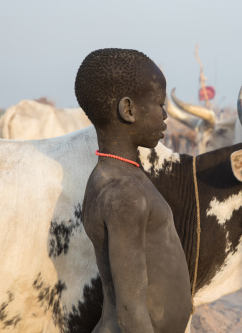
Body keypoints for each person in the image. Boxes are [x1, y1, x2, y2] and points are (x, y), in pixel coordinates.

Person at [75, 48, 192, 332]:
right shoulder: (123, 192)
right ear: (128, 110)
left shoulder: (118, 174)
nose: (165, 115)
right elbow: (130, 310)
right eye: (158, 104)